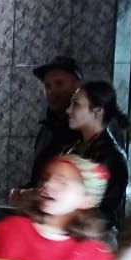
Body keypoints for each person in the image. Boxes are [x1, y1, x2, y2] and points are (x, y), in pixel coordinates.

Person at [64, 80, 130, 233]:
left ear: (97, 111)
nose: (68, 110)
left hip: (91, 236)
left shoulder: (111, 156)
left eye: (76, 104)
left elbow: (98, 209)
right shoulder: (75, 147)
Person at [26, 55, 83, 187]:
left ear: (77, 85)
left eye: (59, 83)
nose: (52, 91)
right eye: (47, 86)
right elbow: (39, 180)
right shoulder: (46, 131)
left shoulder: (89, 129)